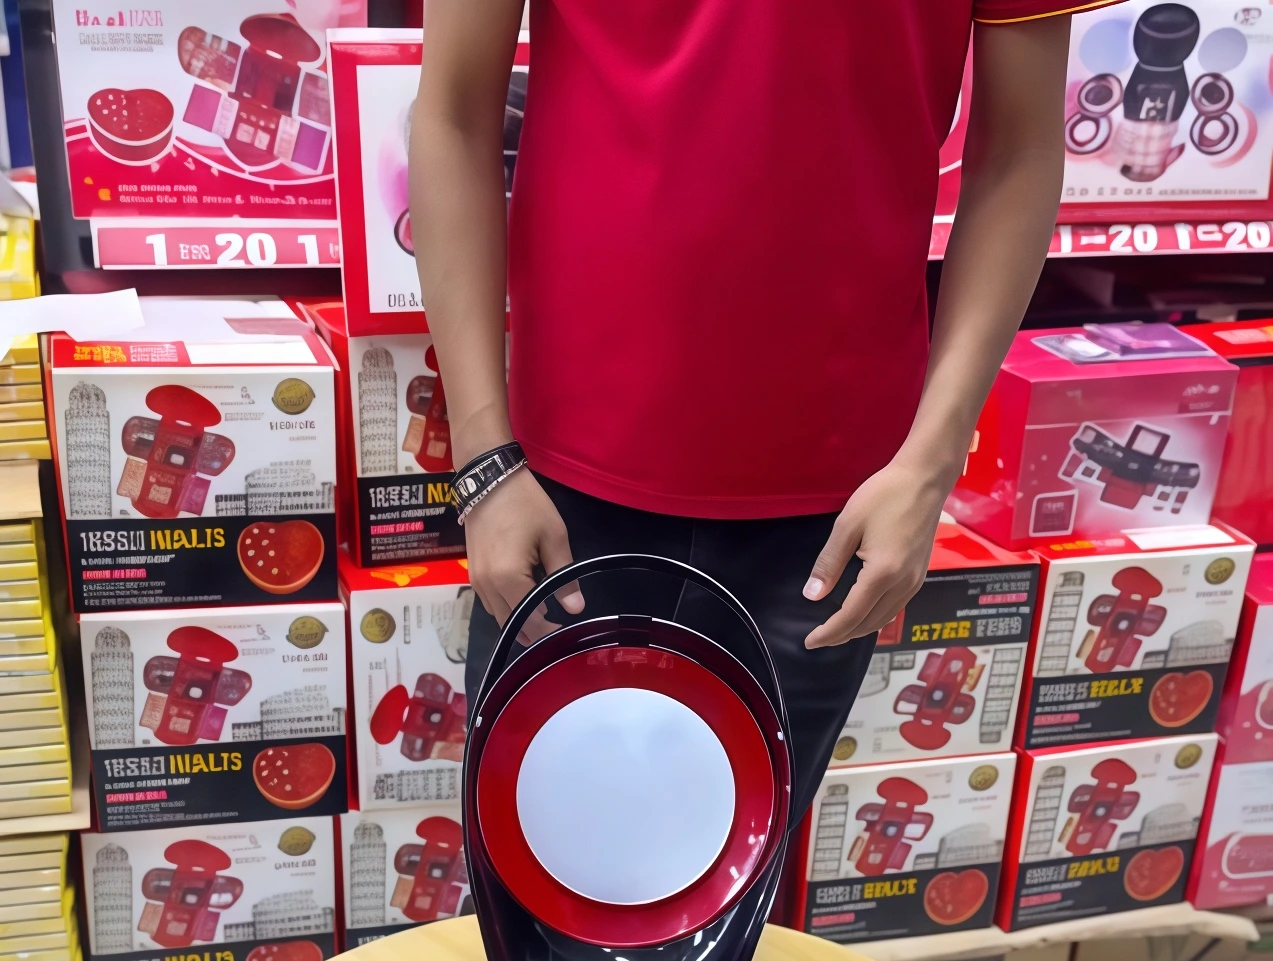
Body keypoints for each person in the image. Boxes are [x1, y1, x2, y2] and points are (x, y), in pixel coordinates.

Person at [410, 0, 1115, 820]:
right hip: (558, 493)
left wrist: (930, 465)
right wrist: (484, 464)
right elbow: (454, 111)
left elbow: (1019, 152)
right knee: (531, 871)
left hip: (831, 517)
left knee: (738, 876)